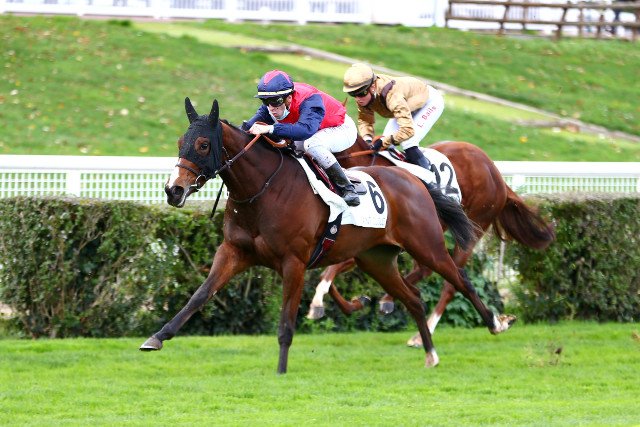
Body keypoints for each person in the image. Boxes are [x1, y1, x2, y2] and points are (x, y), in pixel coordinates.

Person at [243, 70, 360, 207]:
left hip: (341, 128)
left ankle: (348, 189)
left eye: (275, 101)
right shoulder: (272, 103)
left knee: (312, 144)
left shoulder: (310, 99)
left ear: (289, 97)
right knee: (287, 147)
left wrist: (270, 128)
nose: (271, 108)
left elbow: (306, 130)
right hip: (315, 130)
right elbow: (248, 126)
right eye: (265, 101)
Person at [342, 63, 445, 171]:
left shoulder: (392, 96)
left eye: (361, 93)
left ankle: (430, 177)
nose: (358, 99)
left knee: (409, 142)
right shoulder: (364, 96)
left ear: (372, 87)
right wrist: (367, 140)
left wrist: (383, 141)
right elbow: (365, 121)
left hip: (428, 101)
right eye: (353, 94)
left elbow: (407, 131)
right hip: (405, 105)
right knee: (386, 147)